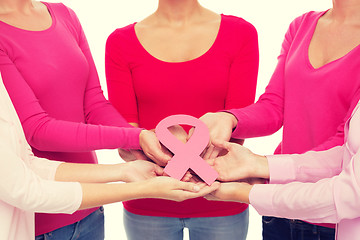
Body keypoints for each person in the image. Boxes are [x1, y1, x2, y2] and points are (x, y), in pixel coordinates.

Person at [0, 1, 171, 239]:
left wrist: (142, 144)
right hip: (40, 220)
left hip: (91, 208)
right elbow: (37, 130)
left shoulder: (63, 14)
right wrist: (137, 136)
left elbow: (94, 103)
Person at [199, 0, 360, 239]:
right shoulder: (302, 25)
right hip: (277, 205)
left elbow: (346, 143)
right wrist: (229, 119)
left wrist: (266, 171)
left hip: (329, 213)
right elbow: (274, 106)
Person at [0, 72, 219, 240]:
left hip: (81, 217)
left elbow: (26, 165)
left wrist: (125, 171)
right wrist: (142, 187)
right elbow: (25, 189)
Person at [105, 0, 258, 239]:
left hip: (221, 200)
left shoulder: (240, 33)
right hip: (149, 202)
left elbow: (238, 125)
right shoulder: (120, 43)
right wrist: (171, 169)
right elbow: (124, 137)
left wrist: (191, 168)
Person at [205, 99, 360, 240]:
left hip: (319, 215)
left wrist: (244, 192)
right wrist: (260, 165)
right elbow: (347, 155)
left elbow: (347, 195)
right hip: (294, 206)